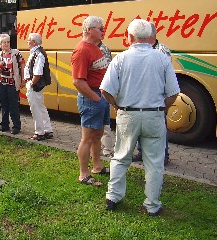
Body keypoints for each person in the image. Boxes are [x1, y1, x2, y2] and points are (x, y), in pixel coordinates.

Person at [100, 19, 180, 216]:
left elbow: (105, 90)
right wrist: (161, 109)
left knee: (120, 156)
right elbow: (173, 93)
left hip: (128, 113)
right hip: (154, 115)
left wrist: (116, 104)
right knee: (154, 162)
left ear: (129, 37)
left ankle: (113, 197)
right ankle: (152, 205)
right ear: (151, 38)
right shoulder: (162, 58)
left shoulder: (120, 58)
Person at [71, 15, 110, 187]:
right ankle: (83, 174)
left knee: (97, 135)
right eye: (100, 28)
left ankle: (97, 166)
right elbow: (78, 81)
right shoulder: (82, 50)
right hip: (91, 98)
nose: (103, 30)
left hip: (98, 96)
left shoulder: (96, 47)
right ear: (88, 30)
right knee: (87, 138)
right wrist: (97, 99)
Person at [133, 22, 172, 165]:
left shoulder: (162, 50)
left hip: (156, 94)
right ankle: (142, 152)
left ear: (151, 35)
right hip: (140, 93)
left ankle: (164, 155)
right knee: (141, 126)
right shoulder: (138, 49)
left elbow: (165, 74)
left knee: (160, 126)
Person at [23, 33, 54, 141]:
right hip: (36, 85)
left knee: (35, 108)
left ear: (34, 42)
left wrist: (31, 84)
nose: (27, 42)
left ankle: (39, 132)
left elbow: (38, 73)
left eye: (28, 41)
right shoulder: (37, 52)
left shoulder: (38, 54)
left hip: (35, 86)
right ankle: (47, 130)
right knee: (41, 107)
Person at [0, 33, 25, 135]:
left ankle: (16, 126)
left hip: (13, 83)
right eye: (4, 42)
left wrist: (23, 79)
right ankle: (4, 125)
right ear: (0, 44)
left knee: (13, 106)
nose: (7, 44)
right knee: (3, 105)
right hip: (1, 83)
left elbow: (22, 65)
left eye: (8, 42)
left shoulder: (16, 53)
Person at [98, 40, 114, 158]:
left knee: (104, 122)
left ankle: (107, 149)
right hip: (99, 88)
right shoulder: (93, 47)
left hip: (101, 89)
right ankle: (97, 147)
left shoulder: (102, 49)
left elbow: (107, 71)